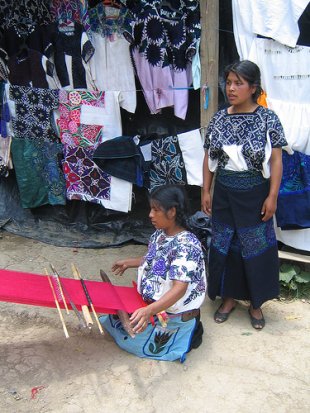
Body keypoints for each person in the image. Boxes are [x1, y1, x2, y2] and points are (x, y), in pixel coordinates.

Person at [201, 60, 287, 330]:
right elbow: (209, 157)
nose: (231, 88)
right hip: (224, 192)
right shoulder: (219, 118)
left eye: (238, 83)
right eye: (228, 82)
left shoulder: (267, 118)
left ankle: (256, 303)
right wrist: (206, 190)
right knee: (225, 245)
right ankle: (228, 298)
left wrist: (272, 196)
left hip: (255, 193)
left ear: (253, 88)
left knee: (256, 247)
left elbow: (276, 161)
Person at [100, 184, 207, 362]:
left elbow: (179, 289)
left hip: (170, 313)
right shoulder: (160, 234)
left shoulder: (186, 246)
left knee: (133, 340)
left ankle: (187, 330)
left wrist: (148, 311)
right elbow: (155, 261)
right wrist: (131, 262)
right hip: (153, 305)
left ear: (172, 212)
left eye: (156, 210)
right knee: (114, 320)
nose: (150, 215)